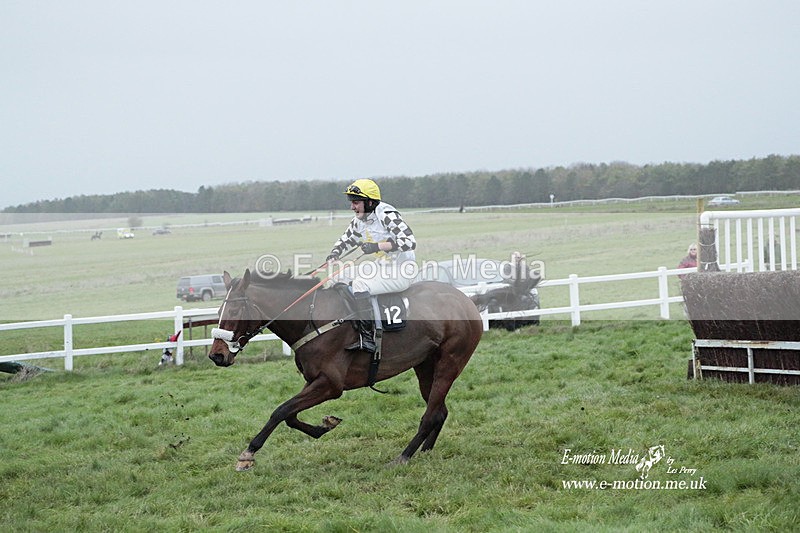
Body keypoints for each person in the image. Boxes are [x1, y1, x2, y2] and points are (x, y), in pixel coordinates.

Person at [326, 178, 417, 352]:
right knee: (338, 276)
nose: (352, 207)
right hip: (381, 267)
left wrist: (377, 246)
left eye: (356, 202)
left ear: (370, 202)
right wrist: (334, 254)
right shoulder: (360, 219)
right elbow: (347, 239)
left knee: (360, 283)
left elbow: (410, 242)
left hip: (402, 271)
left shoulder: (387, 215)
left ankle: (367, 338)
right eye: (351, 202)